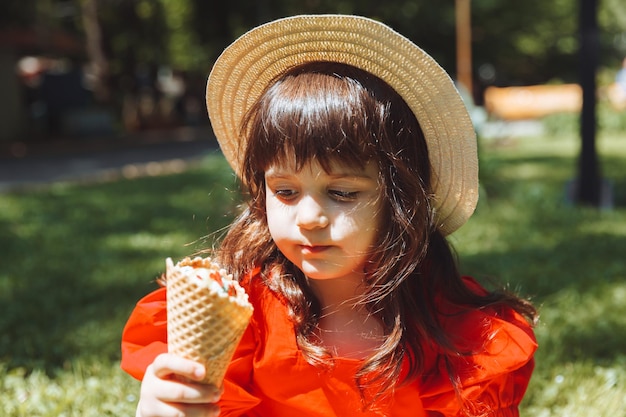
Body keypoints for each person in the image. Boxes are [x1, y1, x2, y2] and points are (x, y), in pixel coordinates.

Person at [120, 15, 538, 417]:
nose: (309, 217)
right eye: (284, 191)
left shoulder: (459, 335)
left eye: (341, 192)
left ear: (401, 200)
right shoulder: (241, 319)